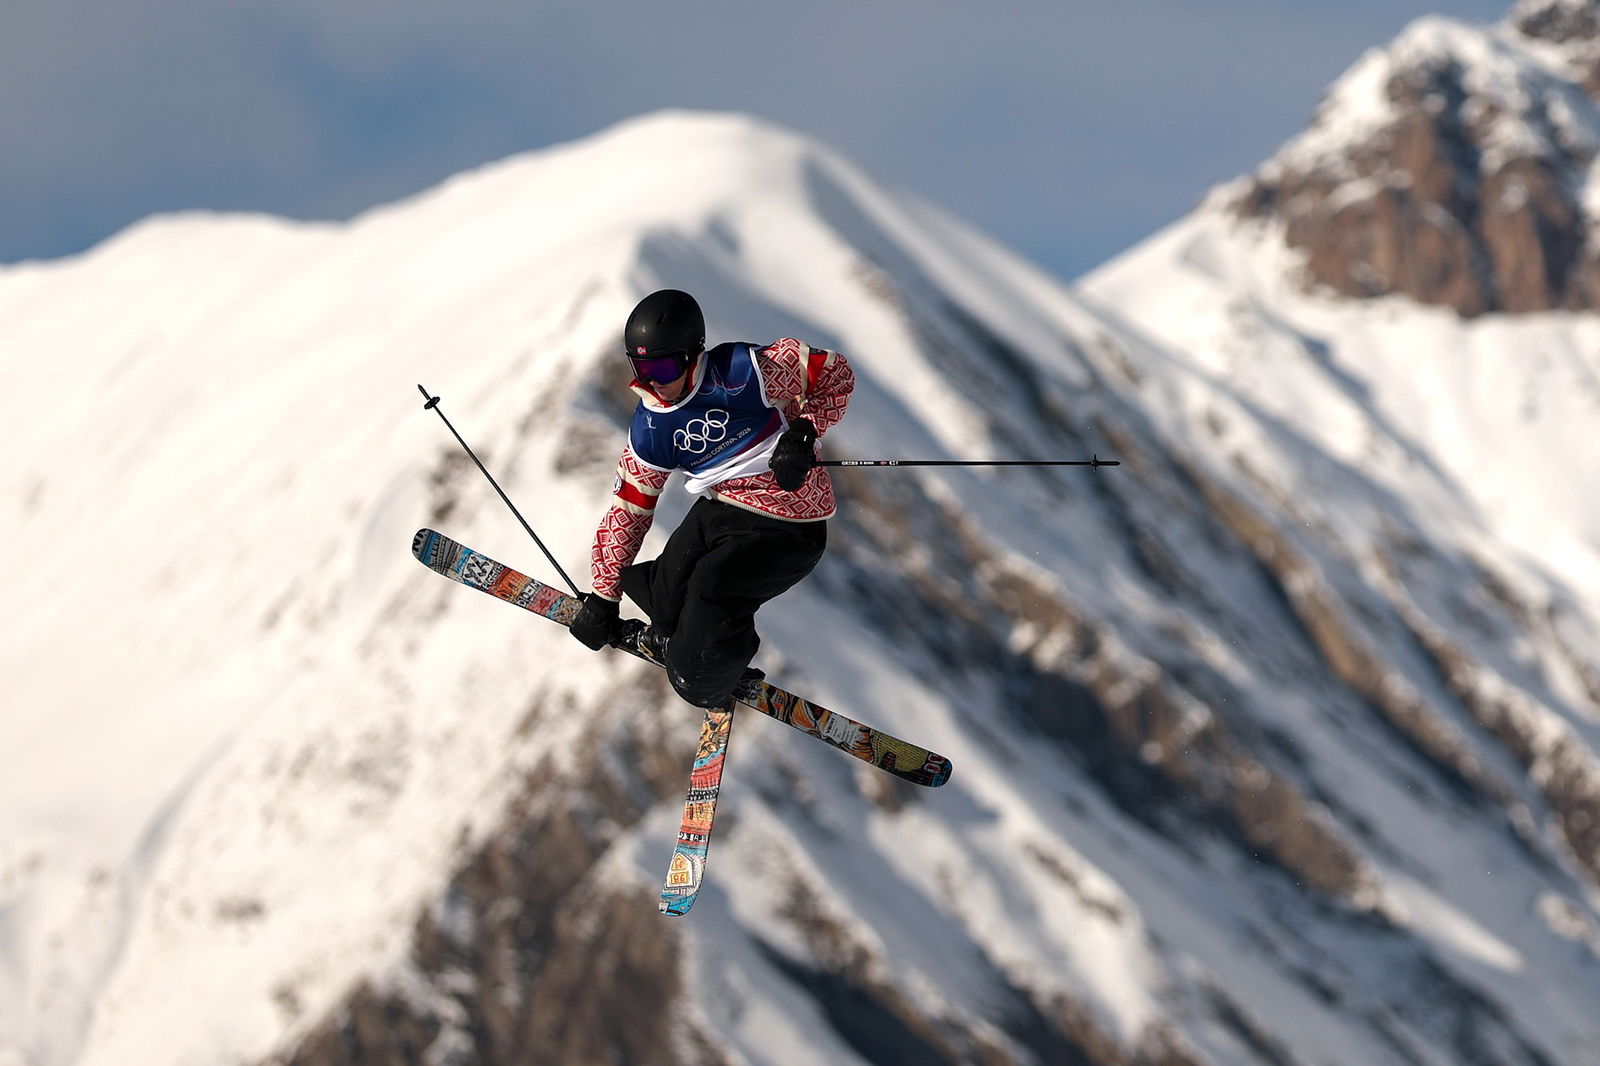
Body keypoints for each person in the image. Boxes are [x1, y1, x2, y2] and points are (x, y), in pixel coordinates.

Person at [567, 289, 855, 709]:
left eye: (663, 366)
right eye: (642, 367)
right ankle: (674, 636)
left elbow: (833, 373)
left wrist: (803, 433)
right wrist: (603, 597)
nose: (654, 382)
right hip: (724, 510)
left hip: (790, 522)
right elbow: (629, 510)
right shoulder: (651, 429)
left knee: (709, 593)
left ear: (692, 355)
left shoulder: (745, 372)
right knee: (666, 598)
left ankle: (706, 669)